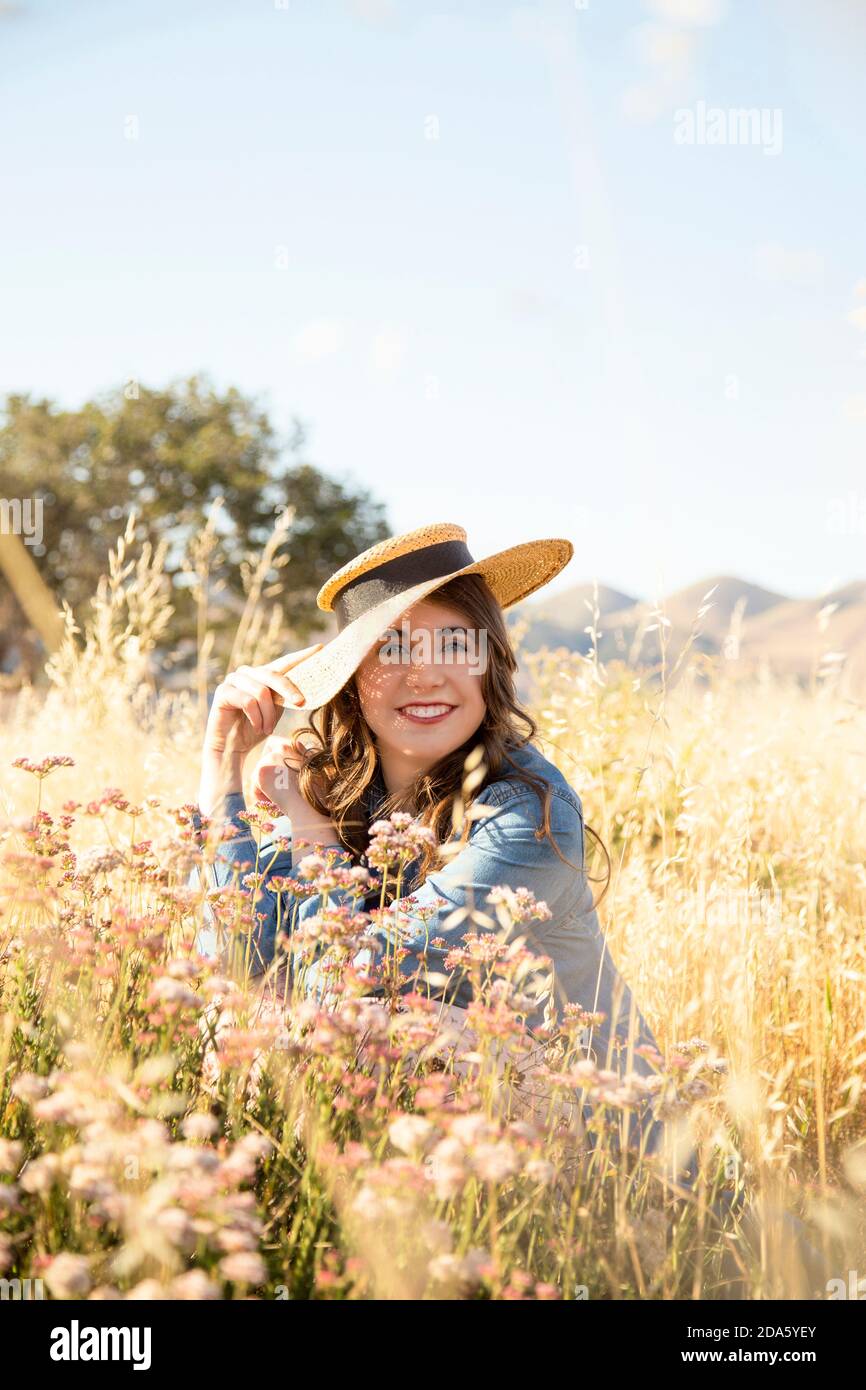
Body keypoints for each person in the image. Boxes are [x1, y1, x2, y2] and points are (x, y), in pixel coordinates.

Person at [193, 523, 669, 1156]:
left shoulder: (528, 814)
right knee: (233, 1025)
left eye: (454, 644)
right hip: (434, 1150)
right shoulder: (330, 793)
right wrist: (220, 768)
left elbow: (343, 983)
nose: (425, 676)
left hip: (605, 1159)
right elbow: (224, 965)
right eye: (391, 650)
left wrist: (313, 838)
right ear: (352, 680)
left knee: (398, 1026)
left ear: (490, 662)